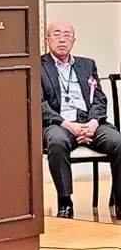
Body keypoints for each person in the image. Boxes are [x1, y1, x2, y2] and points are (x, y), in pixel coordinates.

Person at [41, 21, 121, 219]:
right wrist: (68, 125)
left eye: (67, 35)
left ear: (73, 41)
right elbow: (39, 104)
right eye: (57, 34)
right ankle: (65, 202)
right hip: (59, 124)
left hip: (89, 122)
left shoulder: (87, 64)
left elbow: (99, 98)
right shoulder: (38, 65)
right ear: (47, 39)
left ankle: (120, 201)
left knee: (118, 141)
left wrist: (93, 122)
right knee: (56, 141)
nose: (62, 39)